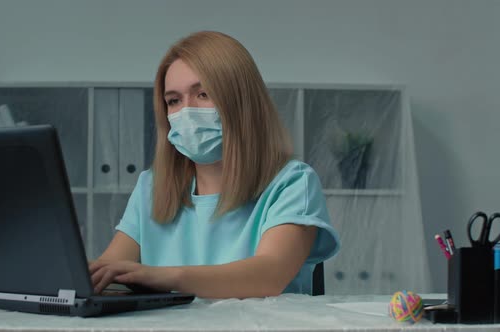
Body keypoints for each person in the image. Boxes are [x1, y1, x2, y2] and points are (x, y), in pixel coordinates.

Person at [89, 31, 340, 299]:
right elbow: (110, 272)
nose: (186, 111)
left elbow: (270, 276)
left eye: (203, 94)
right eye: (173, 101)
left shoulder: (292, 182)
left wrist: (167, 277)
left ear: (242, 101)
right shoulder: (151, 186)